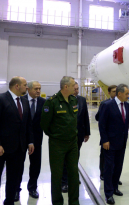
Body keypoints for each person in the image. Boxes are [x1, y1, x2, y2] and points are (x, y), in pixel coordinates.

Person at [0, 77, 34, 205]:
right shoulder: (0, 99)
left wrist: (30, 142)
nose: (27, 87)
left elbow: (27, 124)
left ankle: (9, 202)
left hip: (19, 148)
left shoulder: (24, 101)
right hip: (1, 148)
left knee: (14, 178)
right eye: (25, 85)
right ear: (17, 86)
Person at [40, 76, 79, 205]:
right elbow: (44, 124)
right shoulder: (52, 102)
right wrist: (56, 135)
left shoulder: (74, 100)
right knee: (57, 175)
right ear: (66, 86)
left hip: (72, 143)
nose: (75, 87)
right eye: (73, 85)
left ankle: (74, 202)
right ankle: (57, 202)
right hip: (57, 144)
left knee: (74, 174)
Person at [98, 84, 129, 204]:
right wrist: (105, 140)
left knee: (118, 166)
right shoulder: (107, 105)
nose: (128, 96)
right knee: (109, 167)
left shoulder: (126, 105)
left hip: (122, 142)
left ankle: (115, 187)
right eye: (127, 93)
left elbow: (126, 121)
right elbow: (102, 124)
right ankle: (108, 193)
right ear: (119, 94)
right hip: (110, 143)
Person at [16, 81, 46, 200]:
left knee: (35, 164)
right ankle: (16, 189)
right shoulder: (21, 101)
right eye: (36, 89)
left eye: (39, 88)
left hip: (37, 139)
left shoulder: (44, 103)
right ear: (28, 89)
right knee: (18, 165)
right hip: (21, 138)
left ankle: (32, 187)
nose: (38, 91)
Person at [62, 82, 91, 192]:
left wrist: (87, 132)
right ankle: (64, 182)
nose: (76, 91)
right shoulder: (62, 100)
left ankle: (73, 178)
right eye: (75, 89)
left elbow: (85, 116)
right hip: (65, 135)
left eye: (77, 89)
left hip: (78, 134)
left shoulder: (82, 100)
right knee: (65, 159)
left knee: (75, 157)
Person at [95, 85, 121, 185]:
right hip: (107, 136)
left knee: (117, 159)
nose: (115, 93)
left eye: (116, 91)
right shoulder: (104, 104)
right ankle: (103, 173)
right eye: (113, 91)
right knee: (104, 156)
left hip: (117, 136)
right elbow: (98, 118)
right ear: (109, 93)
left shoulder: (122, 104)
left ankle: (115, 177)